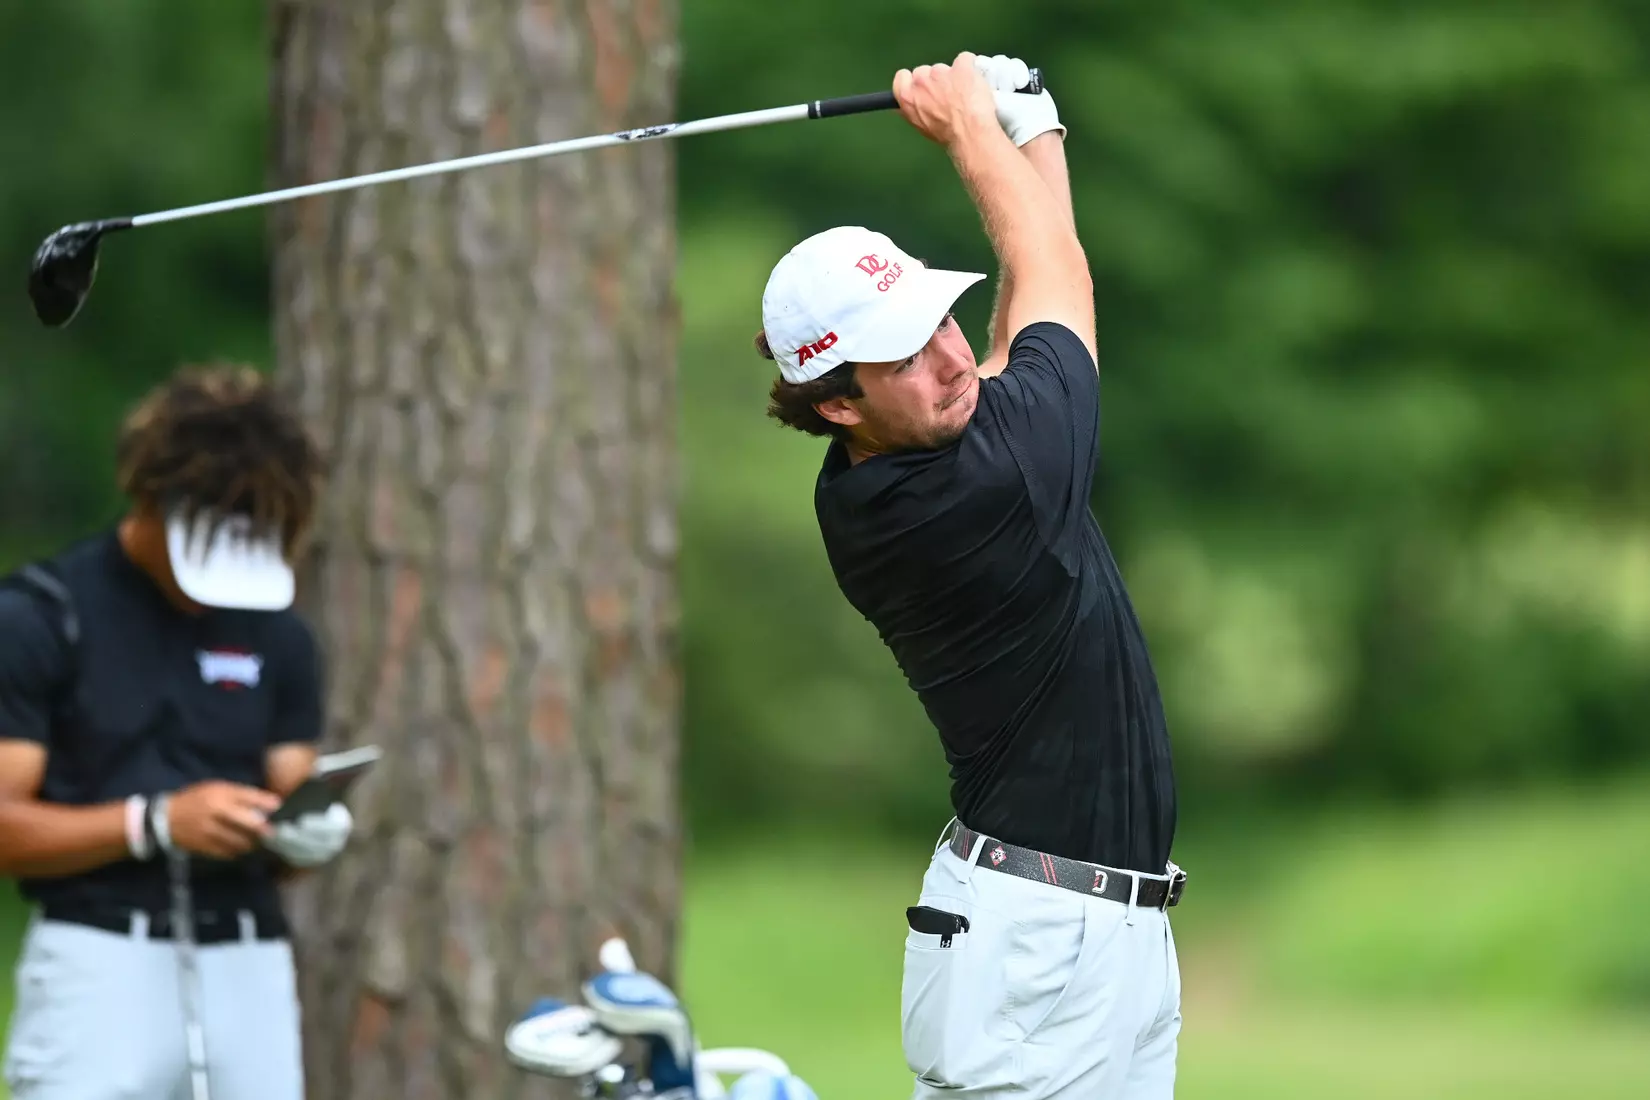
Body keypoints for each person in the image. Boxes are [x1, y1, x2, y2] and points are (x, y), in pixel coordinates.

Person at [753, 53, 1183, 1098]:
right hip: (1035, 954)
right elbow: (1059, 288)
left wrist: (1031, 130)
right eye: (906, 353)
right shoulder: (966, 499)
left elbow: (1027, 320)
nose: (950, 358)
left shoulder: (908, 461)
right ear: (838, 402)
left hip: (1095, 937)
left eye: (942, 319)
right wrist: (974, 131)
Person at [0, 362, 355, 1100]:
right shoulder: (45, 616)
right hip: (99, 960)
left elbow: (289, 788)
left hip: (248, 961)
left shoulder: (278, 634)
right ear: (152, 497)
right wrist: (153, 823)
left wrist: (304, 834)